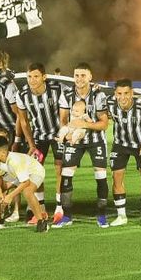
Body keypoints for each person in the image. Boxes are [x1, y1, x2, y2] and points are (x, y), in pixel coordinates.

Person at [55, 63, 111, 228]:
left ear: (90, 77)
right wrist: (69, 132)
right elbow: (63, 119)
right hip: (73, 140)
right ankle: (67, 217)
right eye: (77, 75)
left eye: (83, 75)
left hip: (96, 141)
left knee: (100, 176)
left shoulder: (98, 96)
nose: (79, 79)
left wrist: (84, 125)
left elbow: (104, 124)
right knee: (66, 175)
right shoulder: (66, 95)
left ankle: (101, 215)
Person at [15, 63, 63, 216]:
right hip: (38, 137)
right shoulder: (22, 94)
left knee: (60, 169)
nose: (32, 80)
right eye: (29, 76)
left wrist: (64, 133)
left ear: (44, 77)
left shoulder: (57, 89)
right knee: (36, 170)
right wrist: (30, 143)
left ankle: (60, 207)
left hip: (57, 136)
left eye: (36, 76)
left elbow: (66, 111)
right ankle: (40, 207)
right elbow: (23, 121)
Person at [107, 79, 141, 226]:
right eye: (119, 93)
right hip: (120, 144)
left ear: (132, 93)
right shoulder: (109, 103)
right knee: (116, 177)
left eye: (126, 93)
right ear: (115, 94)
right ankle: (121, 216)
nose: (123, 97)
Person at [0, 134, 49, 232]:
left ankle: (41, 221)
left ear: (3, 152)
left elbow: (25, 182)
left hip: (35, 171)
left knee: (27, 192)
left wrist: (10, 196)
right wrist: (0, 193)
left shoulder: (14, 161)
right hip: (17, 174)